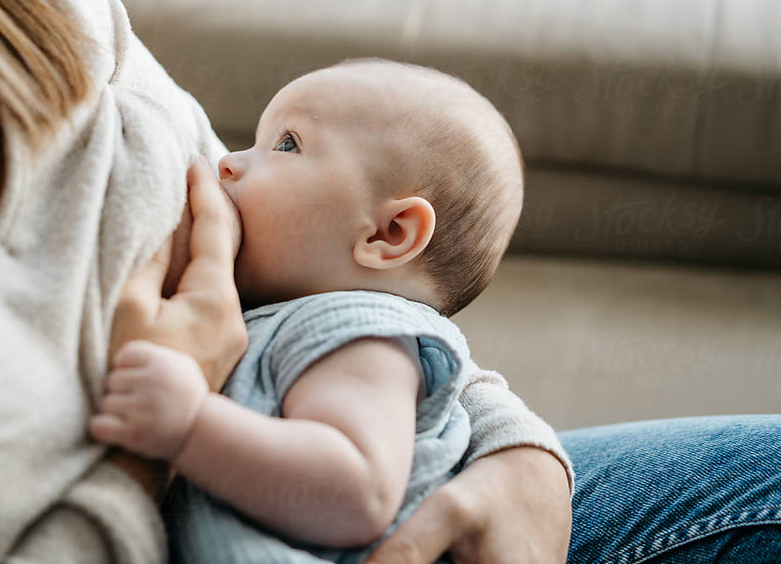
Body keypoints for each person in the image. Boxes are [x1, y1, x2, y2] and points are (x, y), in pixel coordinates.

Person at [0, 0, 776, 563]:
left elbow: (361, 327)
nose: (233, 161)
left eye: (281, 146)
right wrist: (154, 443)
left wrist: (514, 451)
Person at [89, 58, 551, 563]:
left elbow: (360, 492)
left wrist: (191, 425)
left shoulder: (357, 335)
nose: (229, 162)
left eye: (286, 144)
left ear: (387, 234)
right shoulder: (302, 316)